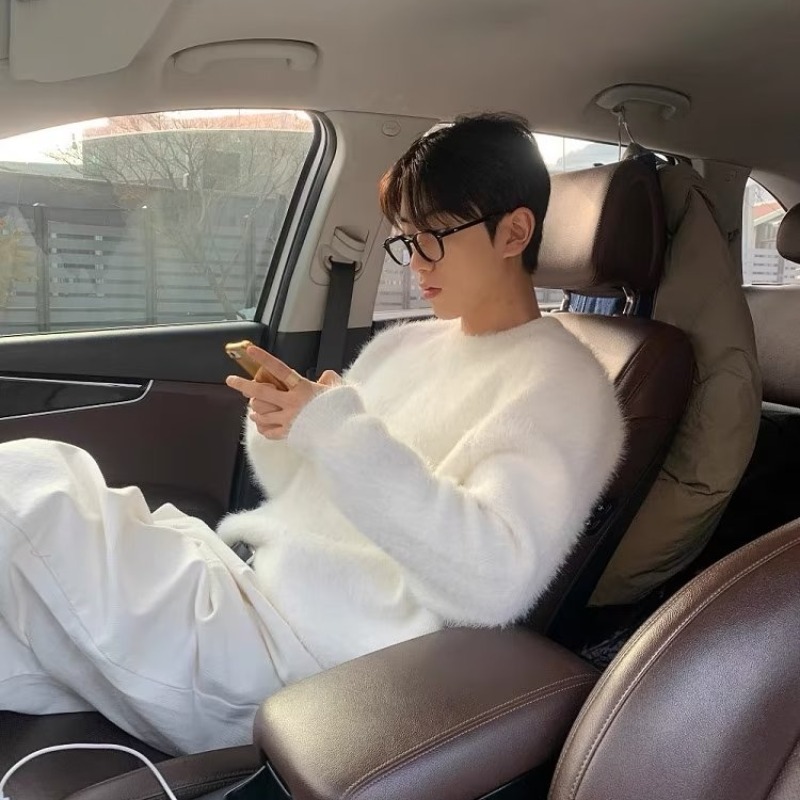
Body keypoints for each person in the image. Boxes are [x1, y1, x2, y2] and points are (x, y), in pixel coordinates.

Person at [0, 113, 624, 755]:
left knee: (24, 490)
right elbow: (307, 490)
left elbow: (494, 581)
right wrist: (286, 427)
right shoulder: (408, 345)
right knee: (39, 487)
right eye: (406, 239)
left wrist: (334, 430)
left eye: (433, 236)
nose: (416, 262)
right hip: (242, 580)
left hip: (298, 655)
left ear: (514, 232)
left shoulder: (562, 386)